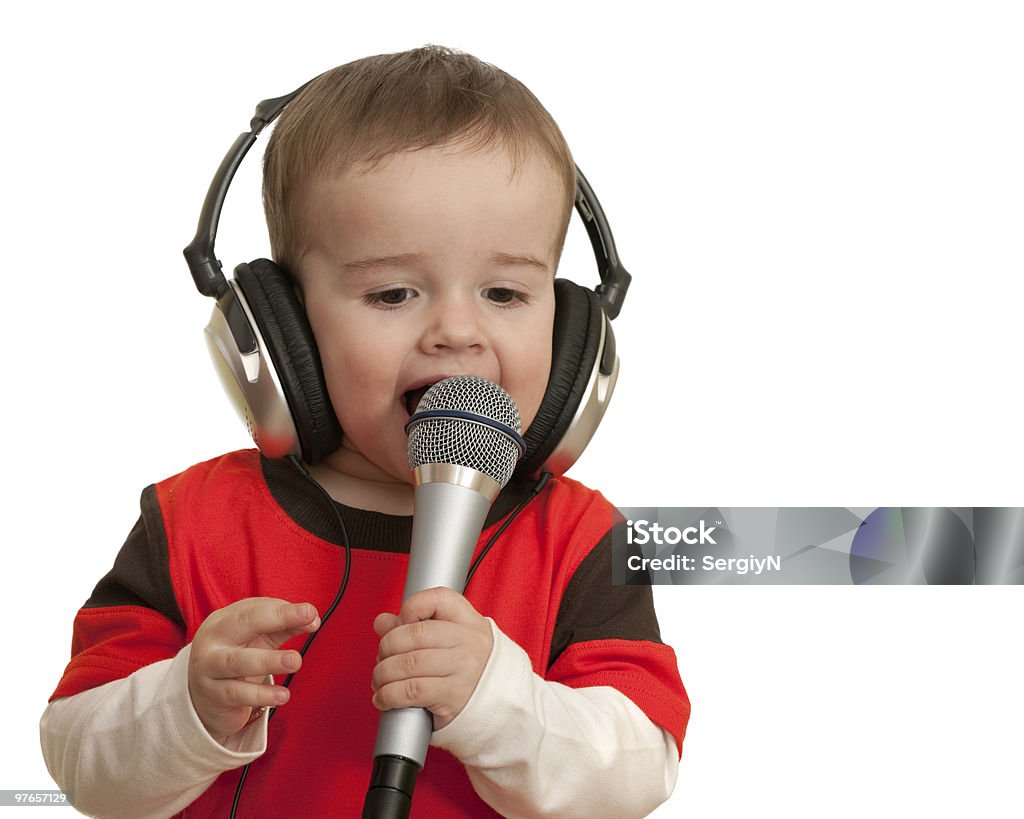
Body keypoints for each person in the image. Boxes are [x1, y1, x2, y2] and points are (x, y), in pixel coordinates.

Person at [40, 46, 689, 817]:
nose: (457, 329)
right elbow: (79, 767)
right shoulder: (192, 522)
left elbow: (638, 770)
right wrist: (183, 706)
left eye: (506, 291)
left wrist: (499, 700)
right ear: (286, 334)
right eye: (392, 292)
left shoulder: (579, 538)